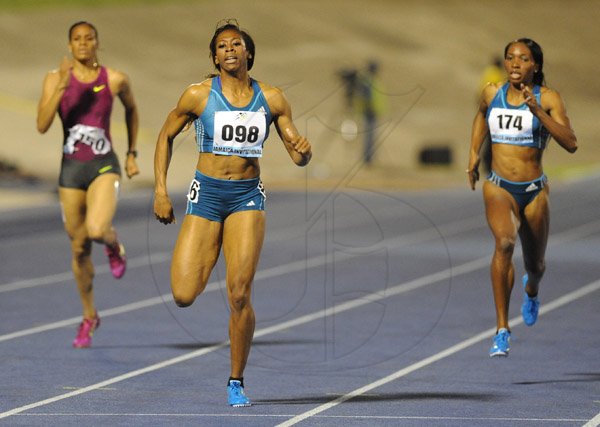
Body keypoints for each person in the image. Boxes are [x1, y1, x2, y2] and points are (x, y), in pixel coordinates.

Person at [153, 19, 312, 407]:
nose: (229, 50)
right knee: (183, 294)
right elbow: (165, 135)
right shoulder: (198, 95)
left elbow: (298, 153)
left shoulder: (271, 99)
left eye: (235, 44)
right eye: (221, 46)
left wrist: (303, 152)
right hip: (206, 195)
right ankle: (207, 250)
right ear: (214, 56)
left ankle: (236, 380)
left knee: (239, 293)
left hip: (246, 198)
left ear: (248, 53)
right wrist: (160, 189)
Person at [467, 38, 577, 357]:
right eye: (510, 58)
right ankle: (502, 328)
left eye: (523, 59)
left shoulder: (549, 98)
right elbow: (480, 115)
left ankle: (532, 289)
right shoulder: (492, 92)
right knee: (503, 243)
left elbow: (571, 143)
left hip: (534, 190)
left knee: (536, 263)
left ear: (536, 66)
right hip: (499, 185)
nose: (515, 63)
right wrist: (474, 155)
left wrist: (537, 111)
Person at [37, 21, 139, 348]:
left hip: (103, 164)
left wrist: (132, 152)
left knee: (96, 230)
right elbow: (42, 125)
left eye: (89, 38)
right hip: (71, 170)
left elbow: (132, 109)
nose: (83, 44)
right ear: (69, 45)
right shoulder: (55, 78)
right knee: (79, 247)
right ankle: (89, 315)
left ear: (97, 42)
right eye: (77, 39)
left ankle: (112, 243)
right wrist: (62, 86)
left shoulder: (115, 78)